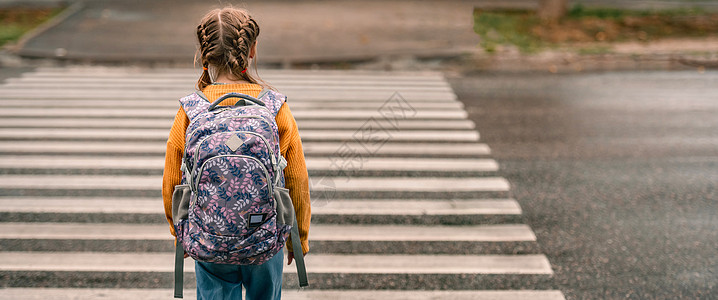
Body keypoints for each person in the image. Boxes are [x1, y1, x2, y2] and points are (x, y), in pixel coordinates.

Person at [161, 7, 311, 300]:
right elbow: (296, 178)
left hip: (209, 234)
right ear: (251, 49)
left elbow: (172, 180)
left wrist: (182, 232)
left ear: (204, 55)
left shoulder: (191, 110)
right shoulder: (274, 107)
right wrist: (298, 239)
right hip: (265, 235)